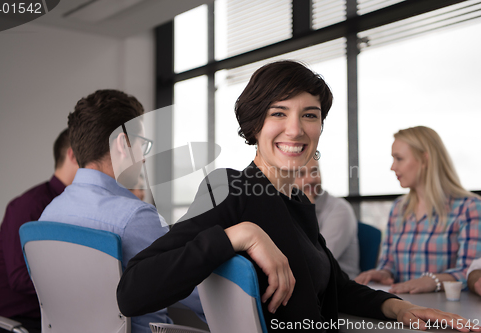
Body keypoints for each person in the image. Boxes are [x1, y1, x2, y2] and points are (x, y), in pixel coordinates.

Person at [117, 61, 477, 332]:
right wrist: (239, 235)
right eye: (279, 113)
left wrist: (399, 309)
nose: (296, 128)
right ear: (255, 124)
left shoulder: (298, 201)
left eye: (310, 115)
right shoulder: (230, 189)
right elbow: (134, 291)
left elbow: (338, 287)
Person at [38, 90, 204, 333]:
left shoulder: (48, 215)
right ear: (123, 144)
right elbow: (202, 295)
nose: (144, 159)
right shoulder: (135, 217)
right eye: (142, 145)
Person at [355, 126, 481, 295]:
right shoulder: (399, 208)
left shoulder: (469, 207)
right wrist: (381, 273)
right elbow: (389, 264)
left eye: (399, 158)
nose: (392, 167)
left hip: (448, 312)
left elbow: (471, 272)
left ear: (425, 159)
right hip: (402, 308)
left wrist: (432, 281)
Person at [0, 128, 79, 333]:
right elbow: (19, 277)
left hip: (44, 321)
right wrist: (79, 286)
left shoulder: (72, 208)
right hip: (8, 322)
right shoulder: (30, 205)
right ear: (72, 154)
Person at [294, 157, 359, 279]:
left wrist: (306, 213)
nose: (311, 179)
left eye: (315, 171)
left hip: (337, 290)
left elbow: (316, 262)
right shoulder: (287, 208)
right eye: (301, 173)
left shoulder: (340, 210)